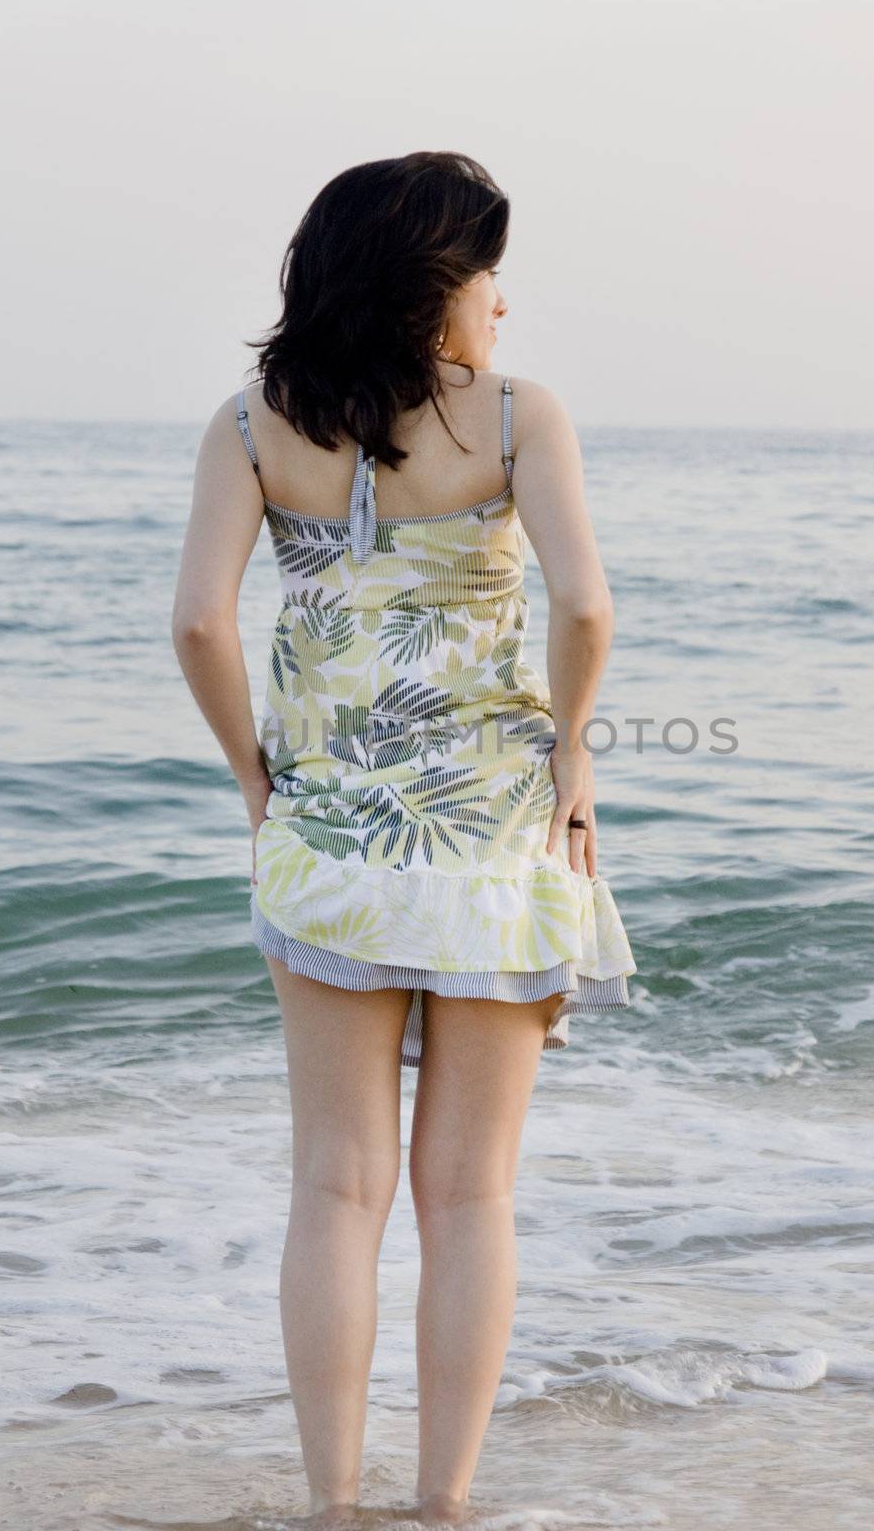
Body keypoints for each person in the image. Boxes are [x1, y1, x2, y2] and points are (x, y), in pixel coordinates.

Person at [172, 151, 636, 1525]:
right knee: (468, 1197)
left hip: (327, 839)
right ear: (438, 280)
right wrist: (569, 763)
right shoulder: (512, 417)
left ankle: (331, 1504)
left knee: (335, 1187)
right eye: (486, 269)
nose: (502, 297)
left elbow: (198, 622)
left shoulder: (254, 426)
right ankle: (440, 1507)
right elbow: (588, 609)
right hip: (492, 839)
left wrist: (256, 778)